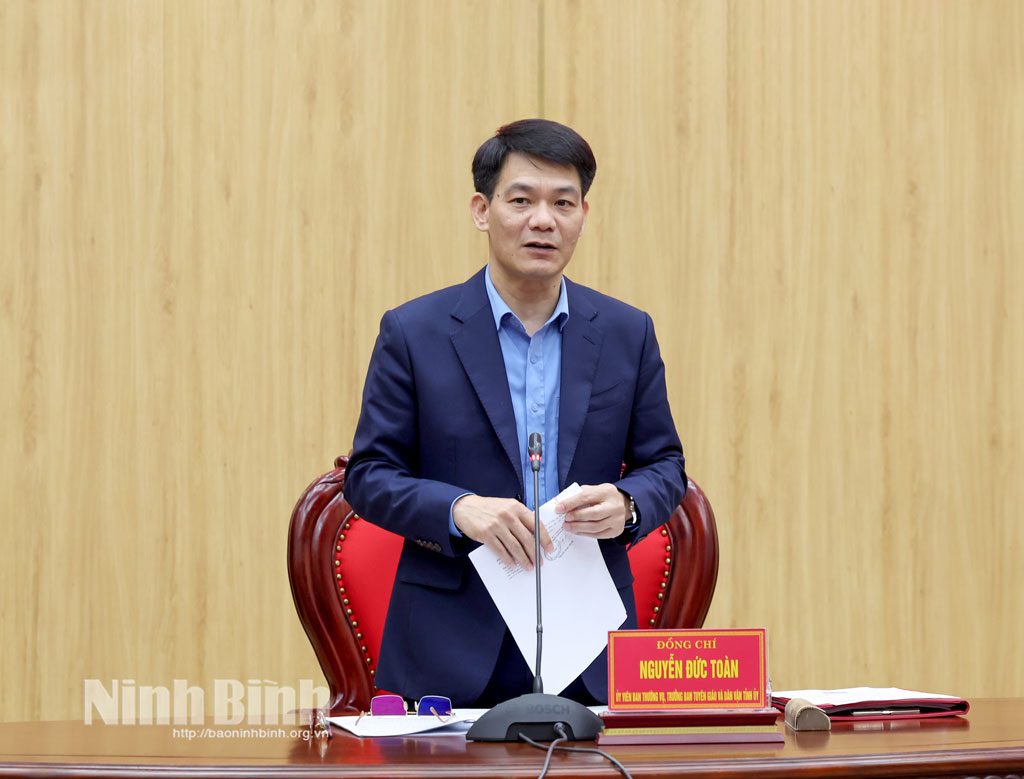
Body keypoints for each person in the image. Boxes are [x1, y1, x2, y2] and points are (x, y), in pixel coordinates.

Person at [344, 119, 686, 707]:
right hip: (449, 650)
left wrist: (627, 504)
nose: (543, 220)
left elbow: (666, 465)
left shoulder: (627, 333)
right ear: (482, 210)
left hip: (591, 648)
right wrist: (459, 509)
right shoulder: (414, 332)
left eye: (563, 203)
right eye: (521, 200)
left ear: (583, 215)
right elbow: (368, 476)